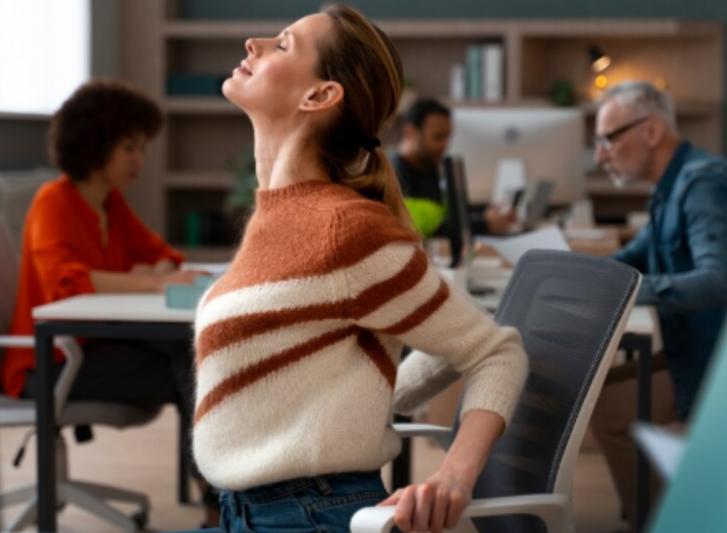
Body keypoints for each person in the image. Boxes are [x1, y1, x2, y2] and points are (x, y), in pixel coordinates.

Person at [182, 5, 528, 533]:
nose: (254, 43)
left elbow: (494, 351)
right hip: (252, 513)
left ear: (320, 95)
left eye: (283, 44)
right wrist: (360, 404)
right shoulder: (277, 216)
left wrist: (454, 476)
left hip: (306, 516)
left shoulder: (345, 230)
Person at [1, 80, 221, 526]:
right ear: (96, 145)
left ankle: (215, 500)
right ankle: (215, 503)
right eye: (129, 148)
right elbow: (65, 284)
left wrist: (151, 273)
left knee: (191, 356)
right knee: (191, 364)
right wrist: (150, 282)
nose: (139, 160)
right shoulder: (52, 203)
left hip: (94, 348)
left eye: (141, 148)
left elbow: (164, 255)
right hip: (48, 363)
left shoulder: (112, 205)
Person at [590, 80, 727, 528]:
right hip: (698, 351)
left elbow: (718, 282)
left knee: (611, 408)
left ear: (652, 131)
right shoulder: (672, 187)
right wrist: (574, 277)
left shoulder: (702, 185)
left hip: (721, 366)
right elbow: (633, 257)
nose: (600, 156)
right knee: (601, 396)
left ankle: (668, 521)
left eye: (609, 139)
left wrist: (621, 292)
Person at [390, 98, 517, 238]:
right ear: (411, 132)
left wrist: (483, 215)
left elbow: (447, 216)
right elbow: (423, 229)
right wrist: (485, 225)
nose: (445, 145)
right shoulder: (393, 176)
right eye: (438, 137)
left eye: (447, 137)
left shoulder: (429, 166)